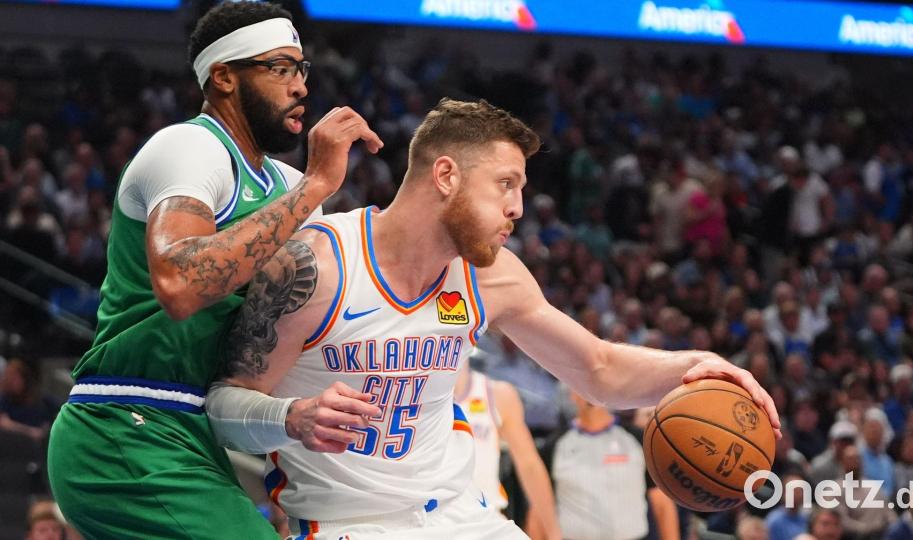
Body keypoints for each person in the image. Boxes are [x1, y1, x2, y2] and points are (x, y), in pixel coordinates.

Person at [206, 98, 780, 539]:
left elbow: (599, 370)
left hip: (462, 516)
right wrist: (291, 416)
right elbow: (225, 408)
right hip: (349, 522)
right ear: (447, 175)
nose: (518, 207)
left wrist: (701, 364)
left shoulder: (492, 276)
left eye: (522, 189)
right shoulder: (317, 264)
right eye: (506, 184)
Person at [46, 2, 383, 538]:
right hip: (124, 424)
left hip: (198, 430)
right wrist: (316, 184)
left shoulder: (290, 186)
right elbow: (181, 284)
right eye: (279, 68)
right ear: (223, 77)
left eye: (303, 70)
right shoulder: (190, 147)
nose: (299, 86)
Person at [533, 389, 680, 540]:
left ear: (609, 393)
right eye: (582, 387)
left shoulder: (638, 438)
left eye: (593, 387)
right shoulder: (553, 445)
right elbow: (539, 506)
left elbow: (662, 503)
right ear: (572, 395)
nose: (589, 394)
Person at [454, 360, 561, 539]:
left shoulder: (497, 394)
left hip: (485, 523)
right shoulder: (411, 396)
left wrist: (553, 533)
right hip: (431, 523)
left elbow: (529, 466)